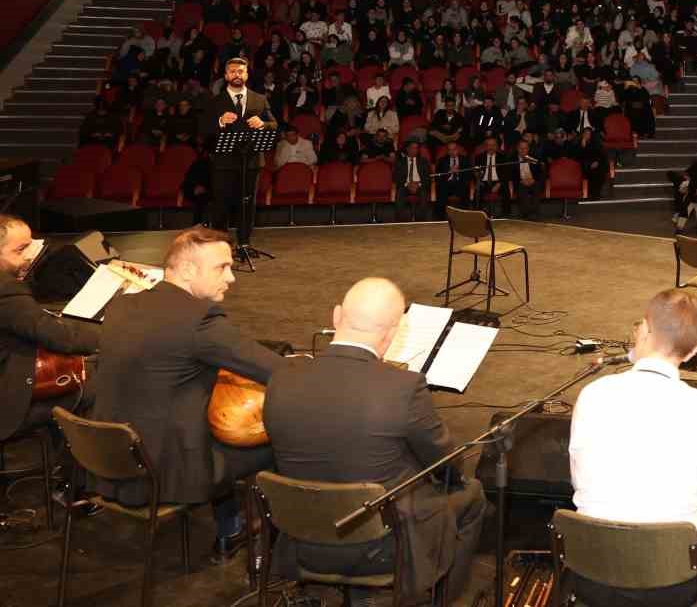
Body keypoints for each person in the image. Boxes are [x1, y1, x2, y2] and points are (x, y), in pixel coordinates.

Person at [263, 278, 486, 603]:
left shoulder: (282, 376)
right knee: (472, 495)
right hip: (382, 548)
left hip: (299, 538)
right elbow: (444, 463)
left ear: (337, 316)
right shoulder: (404, 387)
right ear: (394, 333)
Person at [92, 227, 284, 559]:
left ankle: (231, 521)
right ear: (187, 269)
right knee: (281, 437)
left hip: (110, 460)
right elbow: (275, 369)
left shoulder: (122, 307)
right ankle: (249, 532)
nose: (231, 278)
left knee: (200, 419)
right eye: (221, 268)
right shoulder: (199, 320)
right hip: (163, 472)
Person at [568, 290, 697, 607]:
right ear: (695, 350)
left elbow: (578, 482)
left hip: (590, 571)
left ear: (643, 329)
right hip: (672, 584)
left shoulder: (592, 394)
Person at [0, 215, 99, 444]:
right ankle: (85, 467)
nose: (29, 257)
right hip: (6, 405)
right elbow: (60, 337)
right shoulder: (5, 290)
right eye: (20, 250)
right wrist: (115, 333)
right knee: (101, 380)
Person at [202, 57, 277, 255]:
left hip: (251, 161)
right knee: (221, 203)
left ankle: (244, 243)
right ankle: (221, 247)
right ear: (226, 75)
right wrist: (219, 121)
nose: (237, 74)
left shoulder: (259, 99)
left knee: (247, 203)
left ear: (246, 75)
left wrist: (262, 124)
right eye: (233, 71)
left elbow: (274, 125)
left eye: (240, 71)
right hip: (223, 162)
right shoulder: (214, 101)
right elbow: (202, 130)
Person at [392, 140, 432, 222]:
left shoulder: (423, 161)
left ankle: (421, 221)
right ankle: (400, 222)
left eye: (417, 148)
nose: (415, 150)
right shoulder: (400, 162)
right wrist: (408, 184)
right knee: (400, 193)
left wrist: (418, 184)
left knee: (424, 194)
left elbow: (428, 177)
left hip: (420, 185)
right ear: (407, 149)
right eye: (413, 148)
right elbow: (396, 177)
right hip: (405, 185)